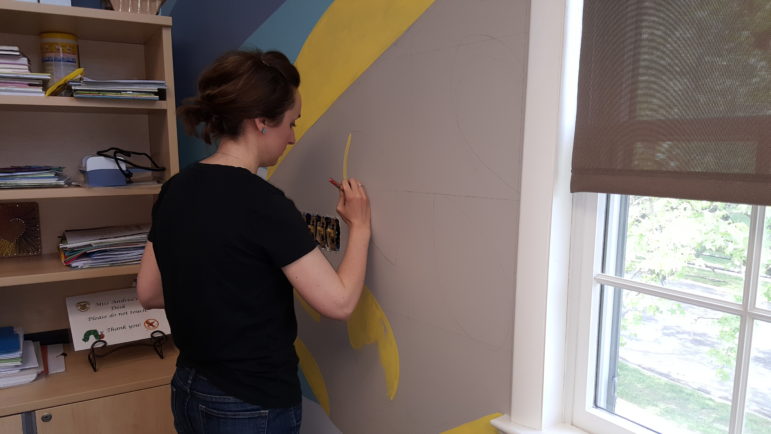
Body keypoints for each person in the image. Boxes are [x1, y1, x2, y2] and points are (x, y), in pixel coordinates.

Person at [136, 49, 371, 434]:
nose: (293, 138)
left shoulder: (175, 189)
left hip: (189, 390)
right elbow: (340, 302)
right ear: (261, 122)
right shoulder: (263, 203)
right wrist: (359, 228)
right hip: (249, 405)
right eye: (292, 124)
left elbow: (149, 292)